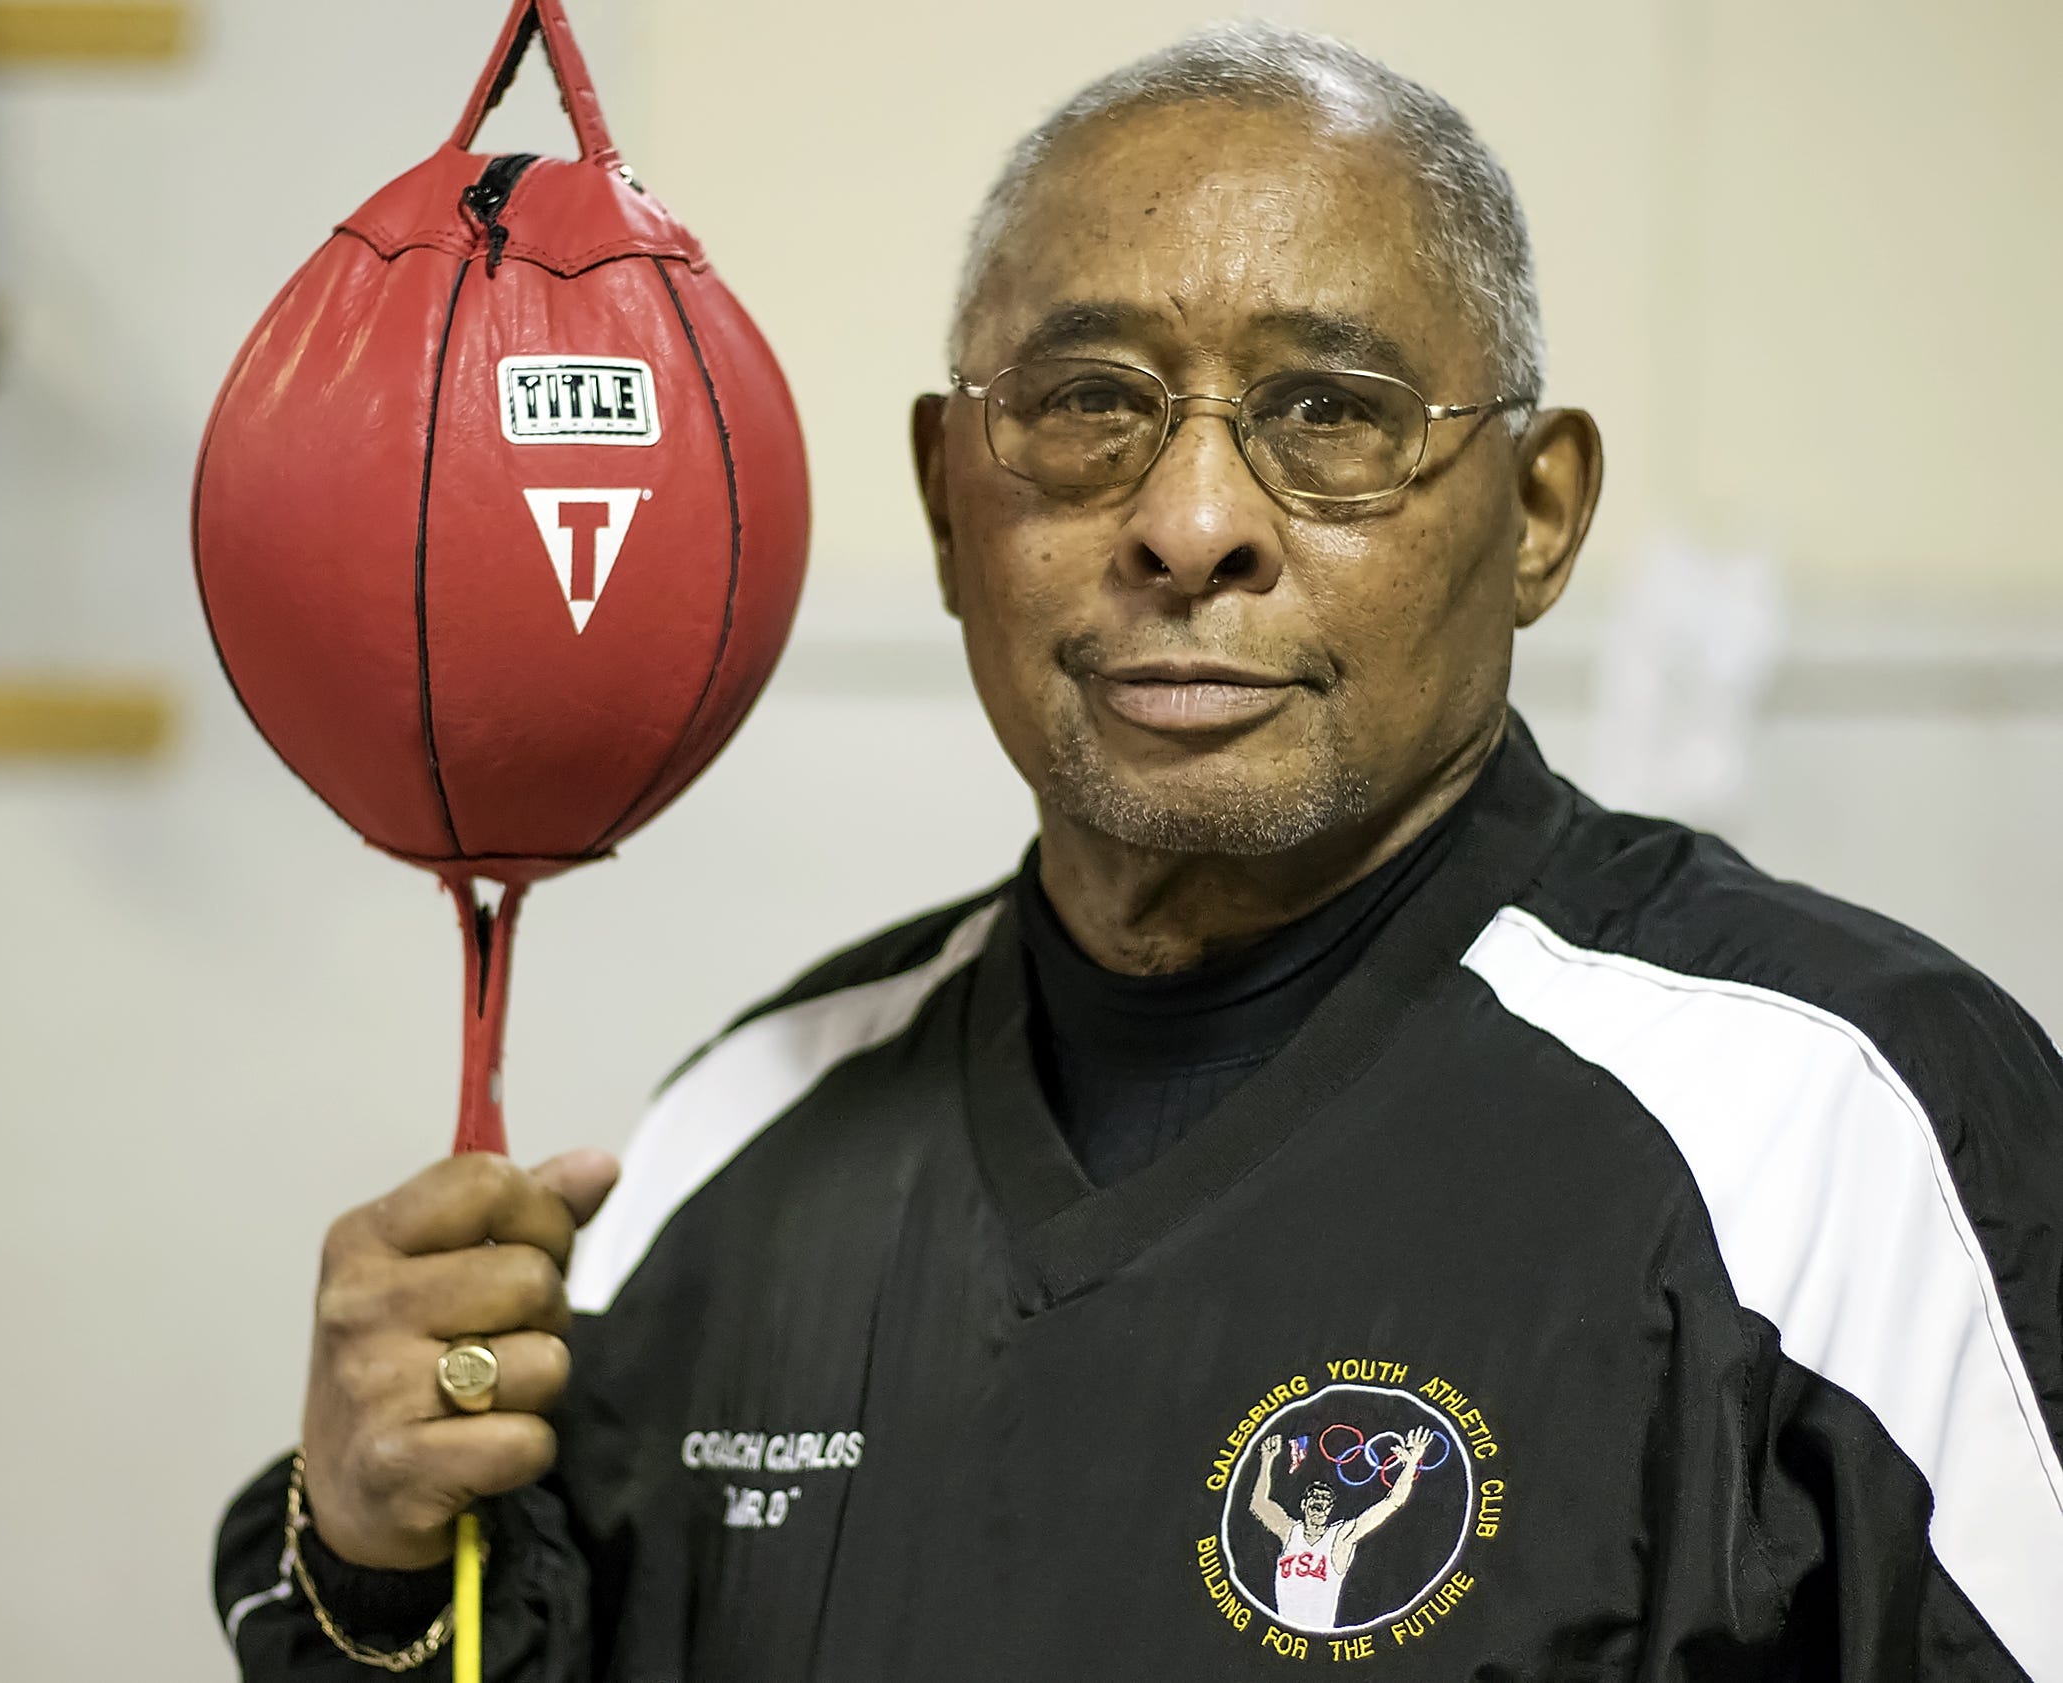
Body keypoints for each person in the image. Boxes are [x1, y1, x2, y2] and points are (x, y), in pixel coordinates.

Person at [215, 21, 2063, 1680]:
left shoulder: (1842, 1129)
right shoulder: (732, 1150)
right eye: (1090, 402)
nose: (1190, 524)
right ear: (951, 502)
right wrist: (372, 1557)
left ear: (1537, 513)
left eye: (1328, 415)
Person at [1250, 1428, 1435, 1631]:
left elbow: (1392, 1502)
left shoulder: (1340, 1538)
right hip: (1284, 1637)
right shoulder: (1289, 1531)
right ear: (1304, 1504)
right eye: (1315, 1497)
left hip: (1319, 1639)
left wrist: (1411, 1463)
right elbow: (1258, 1505)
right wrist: (1267, 1459)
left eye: (1325, 1500)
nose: (1320, 1502)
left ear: (1330, 1510)